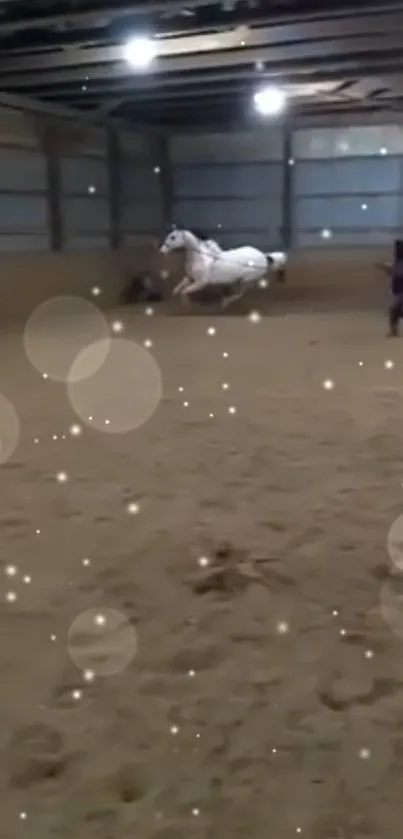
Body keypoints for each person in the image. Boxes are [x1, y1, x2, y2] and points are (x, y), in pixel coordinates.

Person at [381, 240, 403, 336]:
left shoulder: (398, 263)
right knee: (395, 310)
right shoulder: (397, 262)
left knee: (394, 310)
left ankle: (393, 330)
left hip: (400, 291)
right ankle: (393, 330)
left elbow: (396, 271)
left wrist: (386, 269)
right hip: (398, 290)